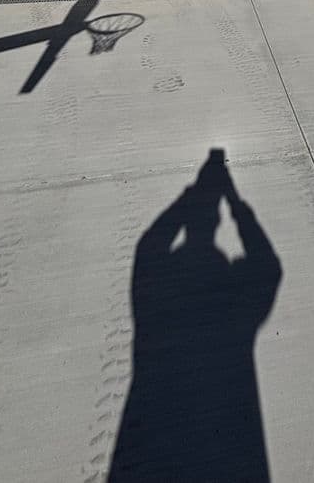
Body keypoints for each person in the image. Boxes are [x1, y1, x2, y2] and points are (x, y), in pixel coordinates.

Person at [109, 149, 283, 481]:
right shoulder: (239, 315)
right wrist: (233, 203)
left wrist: (195, 198)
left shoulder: (154, 300)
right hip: (232, 440)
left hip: (152, 430)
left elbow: (147, 247)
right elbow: (269, 267)